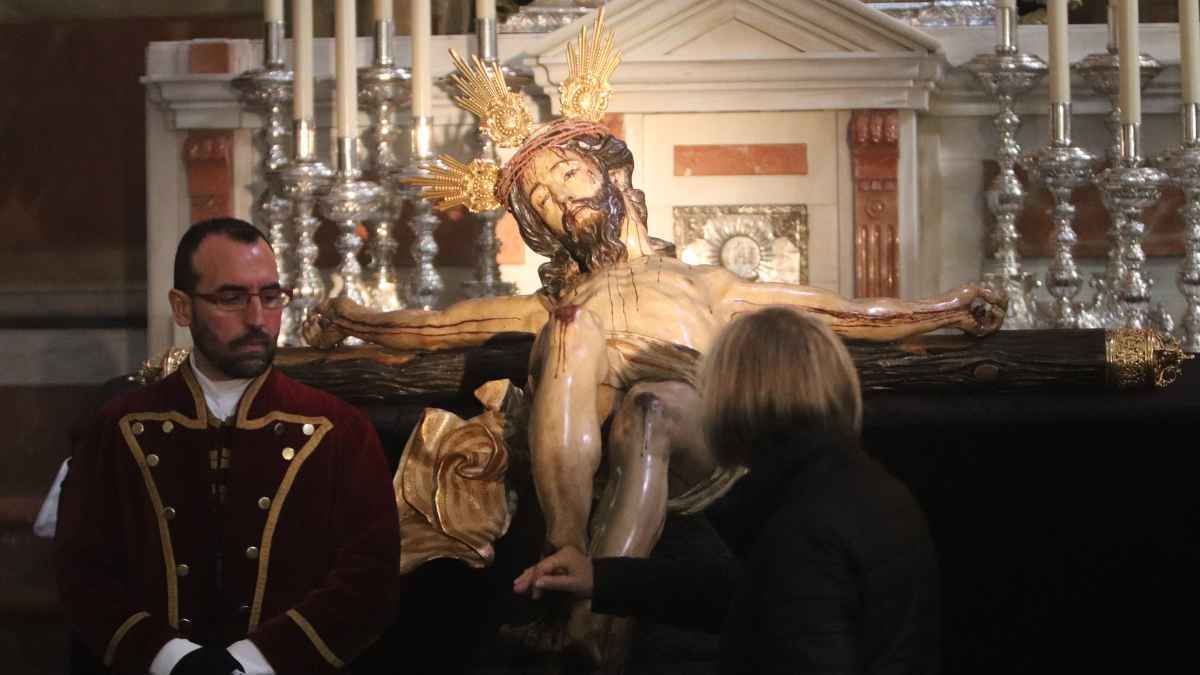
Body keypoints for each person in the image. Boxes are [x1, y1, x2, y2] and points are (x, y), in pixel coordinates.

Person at [55, 218, 401, 675]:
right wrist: (171, 660)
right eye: (231, 298)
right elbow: (82, 571)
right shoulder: (118, 428)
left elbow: (369, 579)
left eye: (271, 296)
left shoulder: (339, 430)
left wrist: (253, 662)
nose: (258, 319)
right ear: (182, 307)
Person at [513, 307, 941, 674]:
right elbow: (745, 594)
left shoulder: (806, 525)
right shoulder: (855, 489)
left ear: (736, 402)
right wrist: (601, 577)